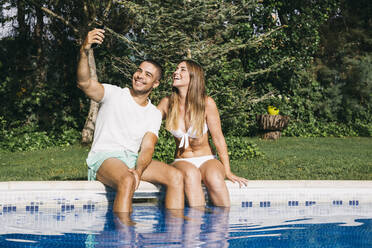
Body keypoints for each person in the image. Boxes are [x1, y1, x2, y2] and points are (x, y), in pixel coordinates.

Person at [76, 28, 184, 219]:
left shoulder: (153, 113)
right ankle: (124, 236)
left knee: (176, 177)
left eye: (148, 75)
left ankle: (174, 234)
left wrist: (139, 171)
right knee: (127, 179)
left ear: (155, 84)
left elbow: (148, 147)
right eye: (139, 70)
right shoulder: (113, 94)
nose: (140, 76)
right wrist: (84, 50)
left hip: (132, 158)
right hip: (104, 157)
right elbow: (84, 83)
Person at [157, 60, 248, 207]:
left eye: (182, 69)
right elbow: (146, 125)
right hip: (182, 160)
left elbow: (218, 138)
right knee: (192, 174)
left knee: (215, 178)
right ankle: (197, 223)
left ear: (194, 76)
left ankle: (222, 225)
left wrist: (228, 171)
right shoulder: (167, 103)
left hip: (207, 158)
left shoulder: (206, 103)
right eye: (176, 69)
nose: (176, 72)